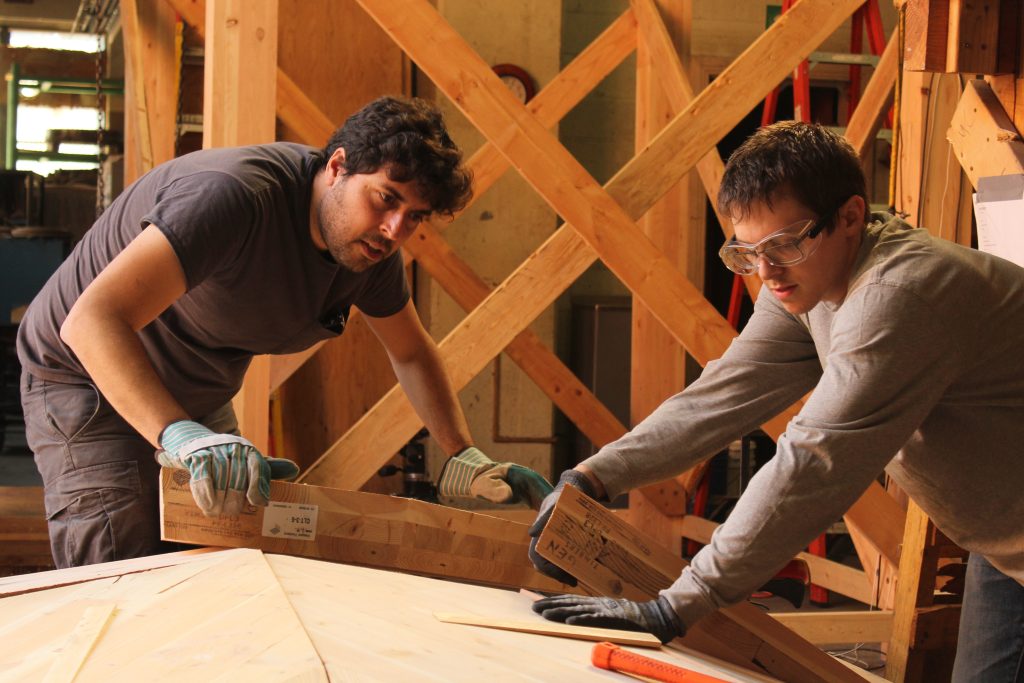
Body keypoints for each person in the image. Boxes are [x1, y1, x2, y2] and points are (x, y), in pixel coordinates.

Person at [527, 121, 1024, 681]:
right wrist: (592, 477)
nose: (766, 272)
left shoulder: (896, 296)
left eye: (784, 244)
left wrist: (677, 605)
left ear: (851, 216)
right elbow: (723, 395)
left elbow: (812, 463)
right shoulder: (809, 282)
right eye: (748, 251)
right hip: (1004, 547)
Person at [18, 95, 552, 570]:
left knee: (219, 555)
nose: (395, 230)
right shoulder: (233, 197)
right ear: (339, 166)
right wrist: (180, 436)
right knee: (120, 561)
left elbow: (411, 354)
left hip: (195, 394)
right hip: (82, 375)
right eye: (387, 198)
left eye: (416, 216)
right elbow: (91, 322)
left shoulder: (368, 251)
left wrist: (461, 453)